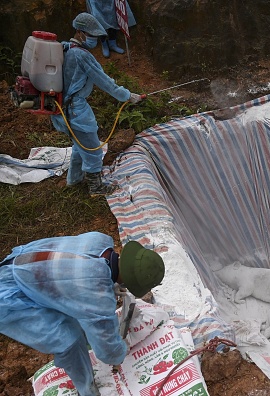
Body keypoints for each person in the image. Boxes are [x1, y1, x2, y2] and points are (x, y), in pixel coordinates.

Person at [0, 232, 165, 396]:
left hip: (19, 267)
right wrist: (121, 350)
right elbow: (108, 353)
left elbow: (77, 272)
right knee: (67, 342)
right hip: (9, 298)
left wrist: (107, 285)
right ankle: (87, 390)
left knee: (76, 316)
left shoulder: (99, 240)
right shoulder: (97, 297)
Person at [50, 13, 143, 196]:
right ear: (79, 32)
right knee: (92, 148)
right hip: (75, 110)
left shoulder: (64, 48)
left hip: (62, 109)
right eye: (90, 35)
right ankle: (96, 187)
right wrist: (128, 96)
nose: (94, 39)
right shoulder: (81, 55)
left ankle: (74, 180)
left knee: (79, 145)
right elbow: (105, 83)